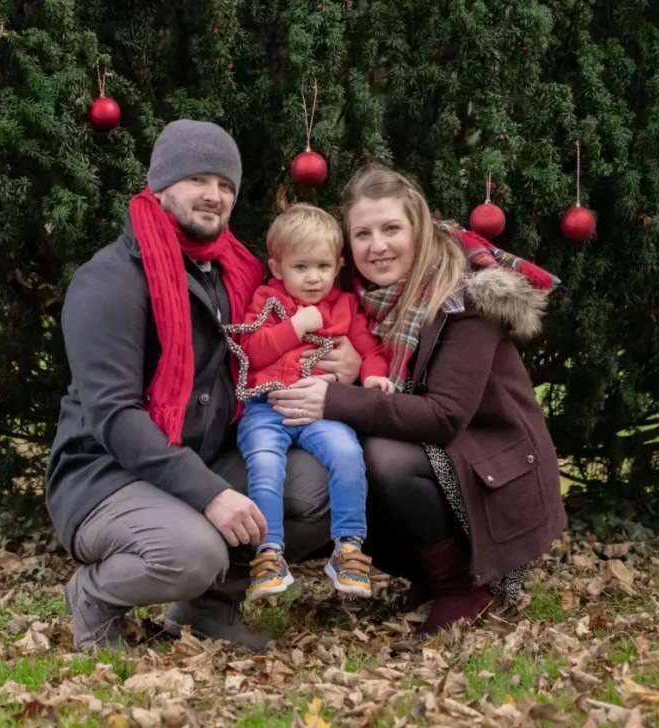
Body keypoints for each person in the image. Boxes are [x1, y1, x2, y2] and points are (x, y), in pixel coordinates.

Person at [44, 120, 362, 652]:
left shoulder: (235, 274)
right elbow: (115, 415)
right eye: (198, 179)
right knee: (192, 554)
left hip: (205, 456)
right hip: (106, 475)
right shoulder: (110, 281)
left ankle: (206, 610)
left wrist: (343, 359)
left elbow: (294, 331)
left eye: (226, 185)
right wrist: (211, 494)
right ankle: (94, 596)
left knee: (324, 484)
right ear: (161, 185)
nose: (214, 196)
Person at [268, 164, 568, 635]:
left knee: (382, 457)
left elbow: (444, 416)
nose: (378, 246)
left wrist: (336, 396)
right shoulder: (353, 302)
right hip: (446, 458)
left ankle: (460, 586)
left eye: (392, 229)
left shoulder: (463, 299)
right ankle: (430, 573)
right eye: (362, 233)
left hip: (492, 467)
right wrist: (345, 372)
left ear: (419, 229)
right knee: (338, 457)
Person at [235, 204, 393, 602]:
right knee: (266, 463)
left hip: (322, 409)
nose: (313, 278)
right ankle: (269, 554)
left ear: (339, 265)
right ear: (277, 267)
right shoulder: (267, 300)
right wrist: (294, 328)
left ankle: (349, 548)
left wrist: (373, 373)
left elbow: (367, 346)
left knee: (346, 452)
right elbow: (250, 351)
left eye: (323, 266)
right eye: (301, 267)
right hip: (267, 406)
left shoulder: (343, 305)